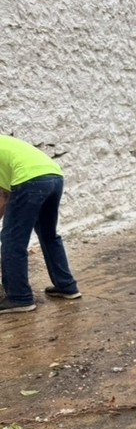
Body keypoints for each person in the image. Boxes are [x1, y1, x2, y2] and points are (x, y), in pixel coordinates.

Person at [0, 134, 81, 314]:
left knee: (13, 240)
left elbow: (2, 197)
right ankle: (67, 286)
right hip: (54, 175)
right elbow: (4, 196)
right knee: (48, 234)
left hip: (29, 179)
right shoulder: (5, 145)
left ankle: (19, 297)